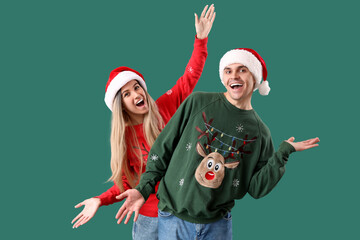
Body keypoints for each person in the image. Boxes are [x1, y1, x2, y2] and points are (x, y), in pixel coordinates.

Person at [115, 47, 320, 239]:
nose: (234, 76)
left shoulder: (260, 132)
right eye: (229, 70)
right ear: (223, 77)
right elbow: (161, 150)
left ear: (255, 79)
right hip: (173, 219)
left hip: (217, 226)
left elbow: (256, 188)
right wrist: (143, 189)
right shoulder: (198, 102)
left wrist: (284, 152)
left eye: (242, 70)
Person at [71, 4, 216, 239]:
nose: (136, 94)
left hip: (179, 212)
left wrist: (201, 39)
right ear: (121, 106)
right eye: (126, 94)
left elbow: (189, 77)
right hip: (146, 217)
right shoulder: (124, 139)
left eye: (136, 87)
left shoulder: (164, 107)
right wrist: (99, 199)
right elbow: (126, 184)